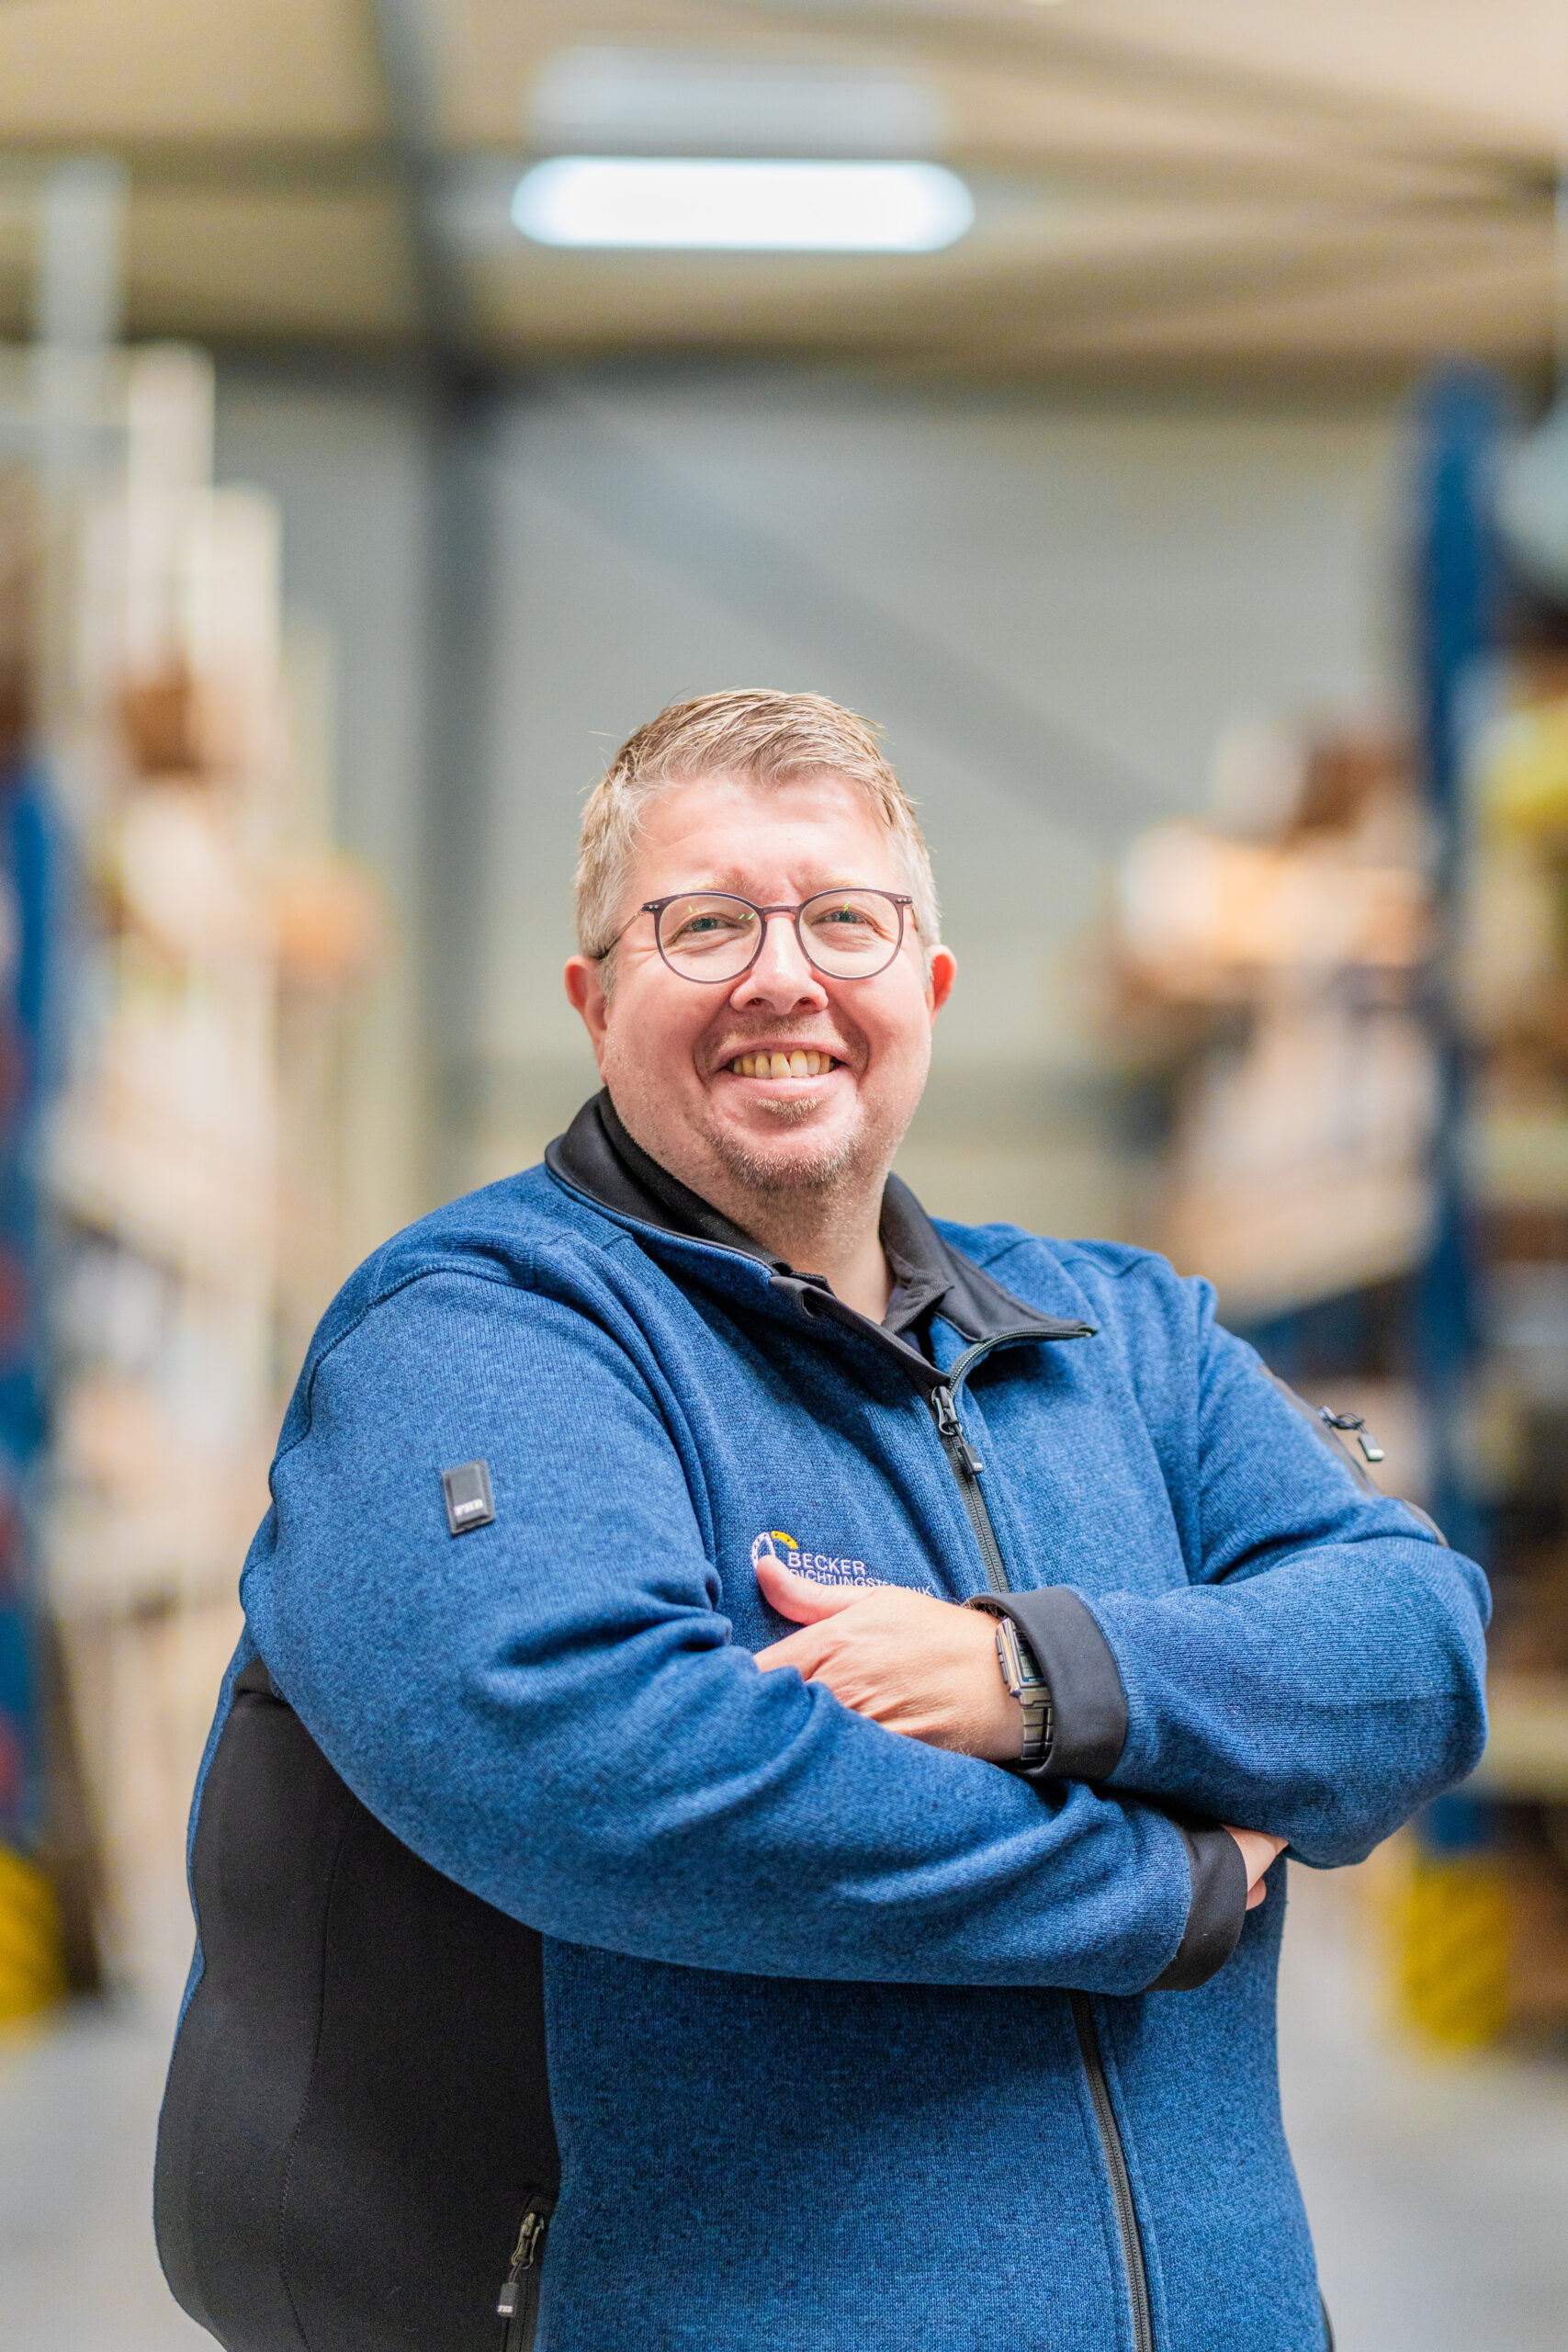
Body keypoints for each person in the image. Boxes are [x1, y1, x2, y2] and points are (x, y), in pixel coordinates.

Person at [231, 690, 1486, 2352]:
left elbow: (1414, 1647)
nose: (783, 975)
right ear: (594, 1002)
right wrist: (1157, 1885)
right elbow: (587, 1753)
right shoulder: (481, 1331)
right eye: (703, 924)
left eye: (844, 919)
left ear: (928, 987)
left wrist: (1036, 1677)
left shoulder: (1127, 1332)